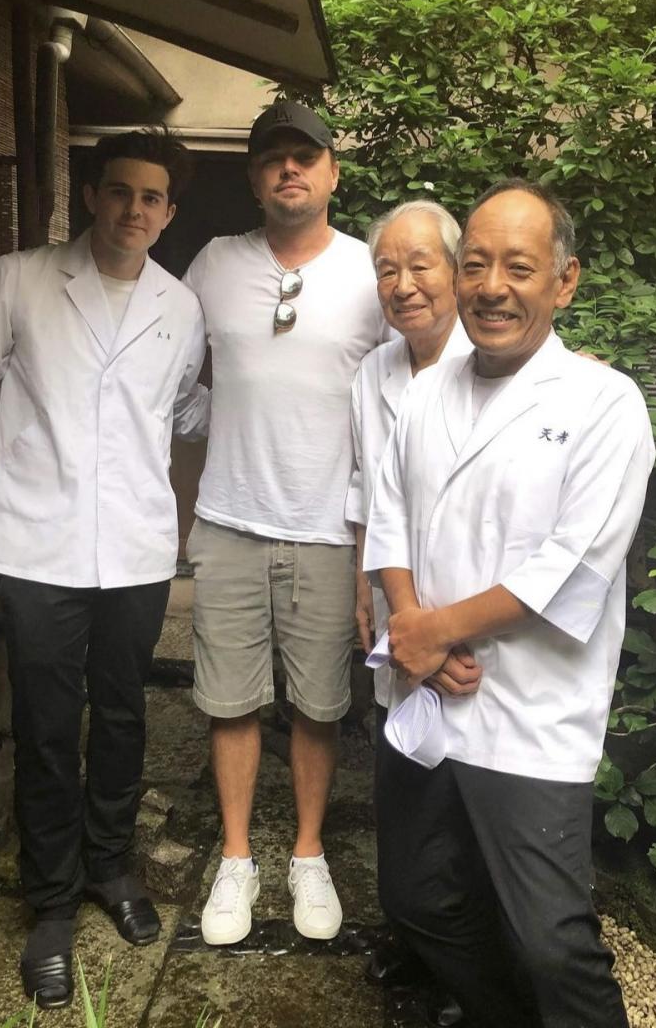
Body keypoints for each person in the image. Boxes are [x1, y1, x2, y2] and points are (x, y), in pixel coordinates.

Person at [0, 129, 208, 1009]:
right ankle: (48, 901)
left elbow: (187, 414)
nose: (135, 210)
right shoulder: (20, 279)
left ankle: (110, 867)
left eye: (153, 198)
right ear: (91, 195)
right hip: (35, 545)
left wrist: (187, 516)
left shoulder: (179, 305)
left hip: (135, 549)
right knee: (45, 723)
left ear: (168, 211)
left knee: (123, 715)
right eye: (120, 191)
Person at [364, 179, 655, 1028]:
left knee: (549, 941)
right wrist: (414, 629)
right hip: (427, 692)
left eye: (518, 268)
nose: (493, 286)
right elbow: (390, 517)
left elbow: (570, 566)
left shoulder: (604, 404)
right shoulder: (425, 393)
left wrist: (431, 630)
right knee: (417, 899)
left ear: (562, 282)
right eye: (478, 265)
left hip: (530, 711)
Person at [181, 101, 387, 946]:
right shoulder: (212, 264)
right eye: (272, 159)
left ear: (334, 172)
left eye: (306, 157)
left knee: (318, 705)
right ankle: (236, 859)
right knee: (228, 702)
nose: (289, 170)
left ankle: (307, 853)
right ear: (254, 177)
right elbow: (172, 375)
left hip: (326, 525)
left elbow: (418, 380)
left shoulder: (373, 272)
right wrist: (211, 420)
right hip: (229, 516)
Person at [347, 200, 476, 1026]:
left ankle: (461, 965)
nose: (403, 285)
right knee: (401, 774)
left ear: (458, 270)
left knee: (462, 797)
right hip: (396, 618)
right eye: (387, 270)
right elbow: (366, 493)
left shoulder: (494, 361)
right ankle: (415, 937)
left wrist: (449, 630)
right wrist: (367, 597)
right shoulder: (373, 374)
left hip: (468, 633)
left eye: (419, 264)